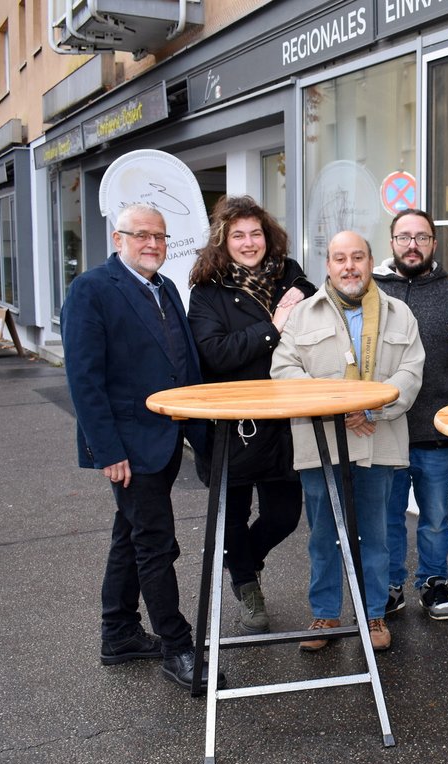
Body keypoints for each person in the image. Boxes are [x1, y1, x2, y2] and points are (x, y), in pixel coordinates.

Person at [63, 203, 220, 691]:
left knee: (128, 535)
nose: (152, 243)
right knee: (155, 543)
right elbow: (84, 381)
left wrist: (202, 435)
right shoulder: (91, 290)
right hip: (128, 447)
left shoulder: (166, 287)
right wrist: (107, 451)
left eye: (160, 236)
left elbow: (185, 368)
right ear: (118, 238)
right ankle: (177, 647)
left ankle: (118, 633)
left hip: (167, 439)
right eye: (141, 235)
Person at [271, 231, 424, 652]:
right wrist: (336, 405)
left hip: (378, 437)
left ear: (370, 261)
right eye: (340, 258)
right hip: (320, 442)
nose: (349, 265)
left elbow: (411, 373)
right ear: (328, 266)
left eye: (357, 257)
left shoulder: (399, 313)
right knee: (323, 534)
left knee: (375, 534)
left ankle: (373, 615)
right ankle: (325, 615)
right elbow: (283, 371)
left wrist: (371, 407)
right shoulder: (303, 315)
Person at [187, 195, 314, 635]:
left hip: (285, 421)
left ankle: (246, 561)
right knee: (232, 517)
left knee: (284, 515)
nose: (248, 242)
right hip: (233, 426)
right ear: (222, 241)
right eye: (237, 234)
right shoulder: (207, 292)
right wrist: (273, 328)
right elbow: (217, 355)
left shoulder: (292, 277)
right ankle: (246, 585)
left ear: (268, 235)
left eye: (255, 233)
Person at [375, 210, 448, 621]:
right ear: (392, 242)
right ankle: (390, 584)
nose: (412, 245)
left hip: (436, 423)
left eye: (421, 237)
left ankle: (434, 582)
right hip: (385, 425)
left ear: (434, 243)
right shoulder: (373, 290)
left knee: (435, 517)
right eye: (404, 237)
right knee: (389, 517)